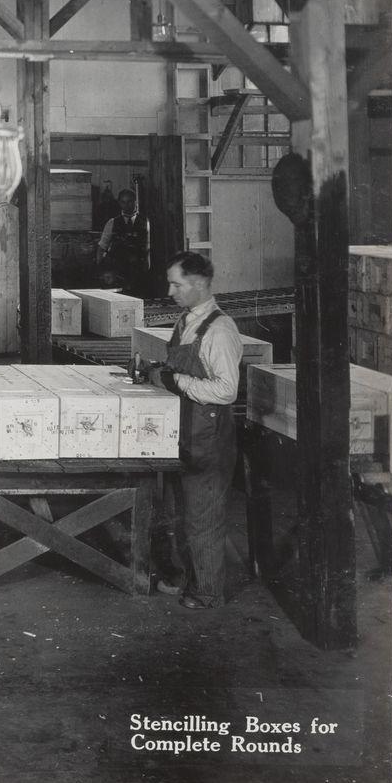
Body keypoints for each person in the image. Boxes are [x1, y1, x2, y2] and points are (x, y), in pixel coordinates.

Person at [147, 251, 242, 610]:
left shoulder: (219, 330)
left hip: (208, 438)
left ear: (199, 284)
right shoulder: (186, 320)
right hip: (183, 431)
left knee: (202, 518)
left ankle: (208, 592)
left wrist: (177, 380)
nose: (170, 291)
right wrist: (160, 371)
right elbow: (182, 368)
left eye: (176, 284)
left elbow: (225, 389)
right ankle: (187, 577)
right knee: (179, 511)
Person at [96, 188, 151, 296]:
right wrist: (101, 268)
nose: (127, 205)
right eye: (123, 202)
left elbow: (148, 245)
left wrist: (147, 265)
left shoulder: (145, 221)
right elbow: (102, 246)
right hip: (118, 270)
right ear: (119, 203)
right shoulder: (112, 222)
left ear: (135, 202)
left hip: (137, 268)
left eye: (130, 201)